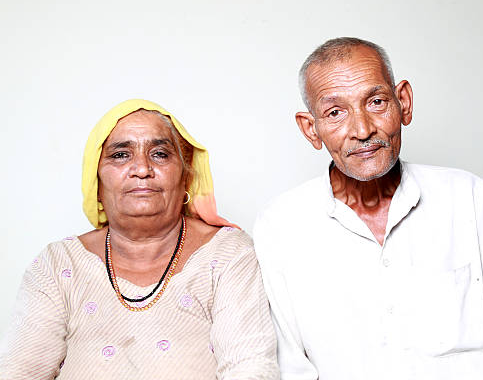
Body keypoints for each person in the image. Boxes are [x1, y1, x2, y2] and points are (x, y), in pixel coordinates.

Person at [253, 38, 483, 379]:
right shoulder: (281, 227)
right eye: (335, 112)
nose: (361, 129)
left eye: (376, 102)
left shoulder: (466, 197)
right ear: (311, 129)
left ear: (403, 102)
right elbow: (289, 372)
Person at [0, 99, 279, 379]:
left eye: (159, 154)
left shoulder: (228, 255)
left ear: (185, 177)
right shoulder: (58, 265)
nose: (142, 168)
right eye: (121, 155)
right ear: (96, 184)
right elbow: (19, 372)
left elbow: (251, 370)